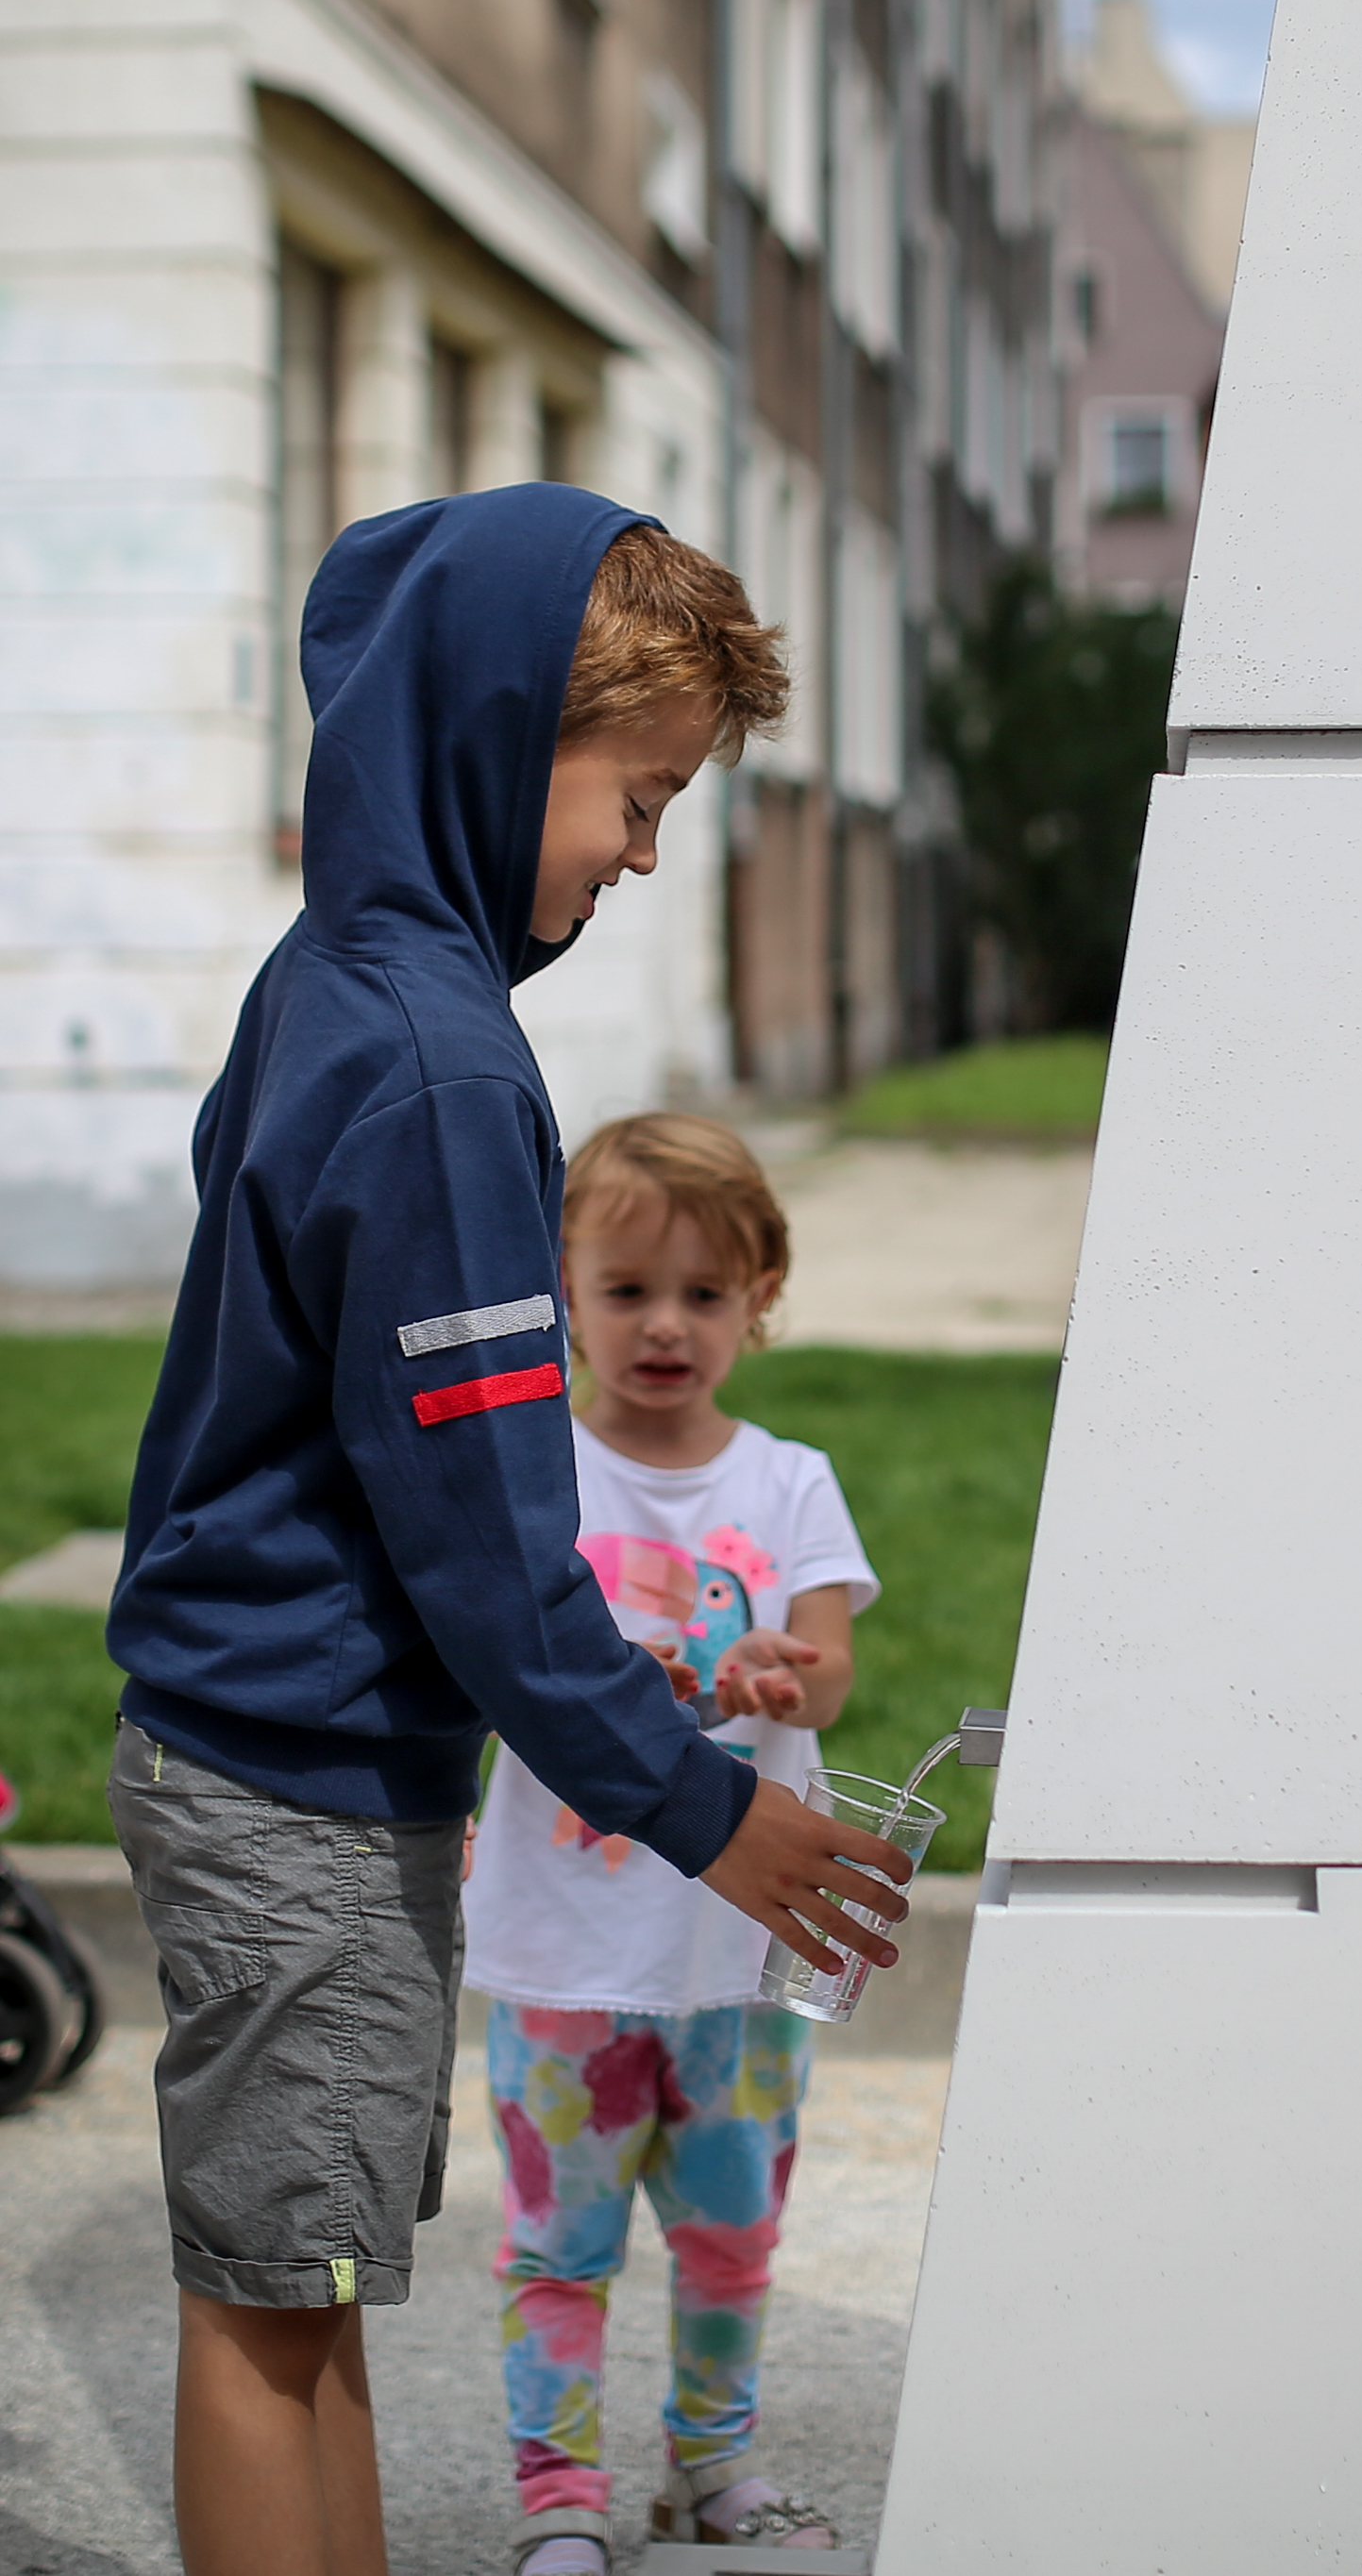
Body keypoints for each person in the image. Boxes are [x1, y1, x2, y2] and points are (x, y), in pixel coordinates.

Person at [104, 491, 911, 2576]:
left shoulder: (341, 981)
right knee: (273, 2315)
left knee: (302, 2291)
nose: (644, 851)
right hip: (297, 1768)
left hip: (251, 1739)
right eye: (636, 796)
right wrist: (696, 1803)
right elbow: (481, 1541)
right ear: (492, 732)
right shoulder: (447, 1071)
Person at [463, 1111, 866, 2564]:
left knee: (729, 2237)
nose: (664, 1326)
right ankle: (558, 2501)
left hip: (742, 1951)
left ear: (761, 1298)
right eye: (625, 1289)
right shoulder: (528, 1482)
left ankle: (713, 2468)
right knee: (558, 2247)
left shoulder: (788, 1479)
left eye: (705, 1292)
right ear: (559, 1289)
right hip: (566, 1945)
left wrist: (779, 1669)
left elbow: (830, 1664)